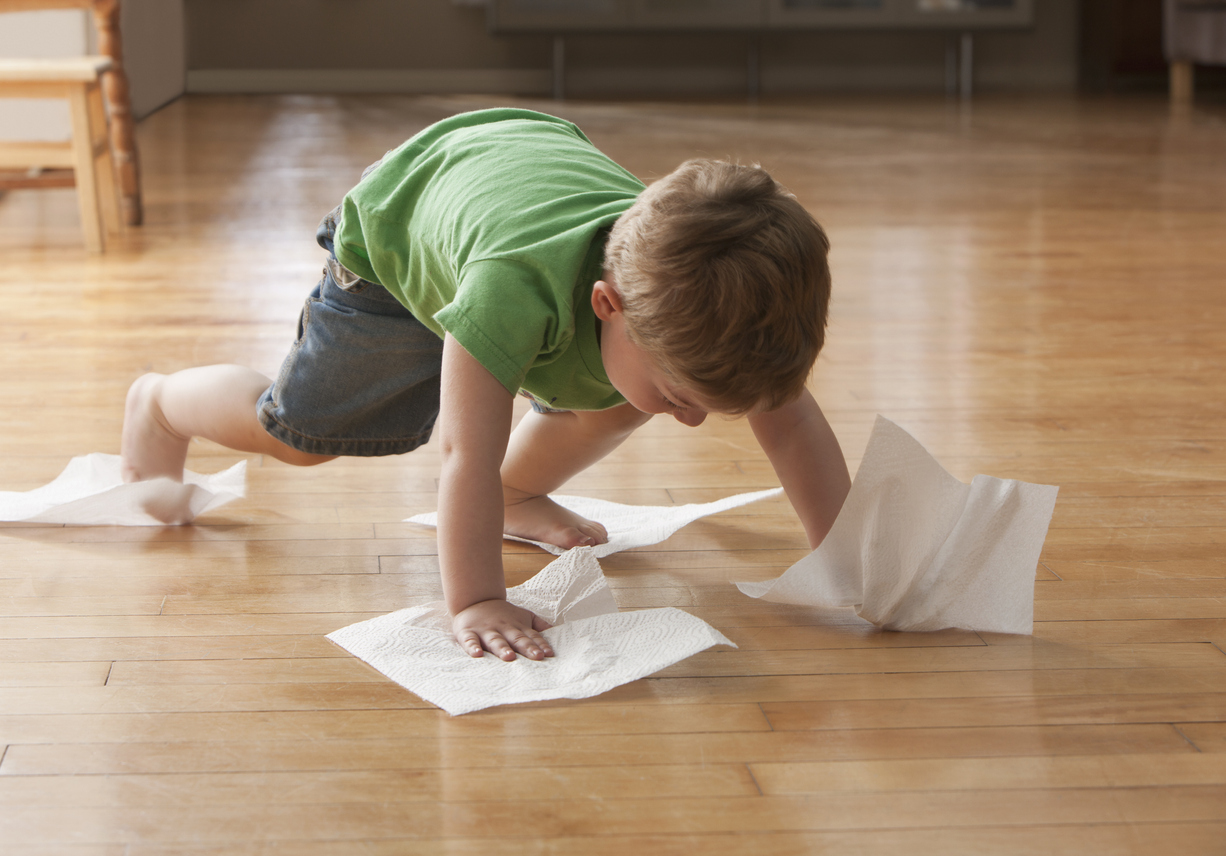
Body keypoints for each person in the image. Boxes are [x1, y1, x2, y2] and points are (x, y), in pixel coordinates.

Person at [121, 108, 851, 664]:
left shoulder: (699, 305)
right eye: (682, 399)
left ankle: (520, 494)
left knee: (629, 397)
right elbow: (463, 454)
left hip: (508, 181)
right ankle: (159, 402)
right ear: (608, 305)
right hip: (398, 233)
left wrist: (853, 563)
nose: (689, 424)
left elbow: (788, 422)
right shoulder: (510, 293)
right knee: (304, 436)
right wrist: (477, 601)